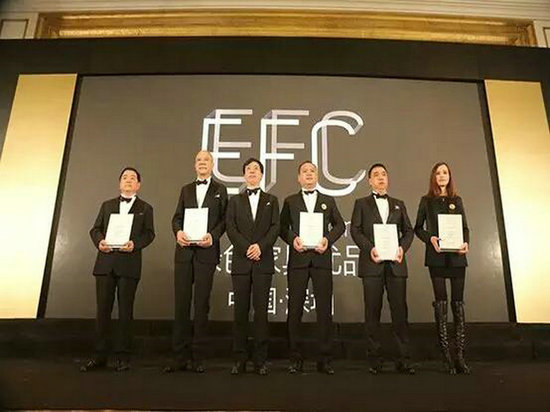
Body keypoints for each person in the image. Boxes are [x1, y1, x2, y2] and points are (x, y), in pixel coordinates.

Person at [81, 167, 155, 372]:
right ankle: (99, 356)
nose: (128, 180)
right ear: (119, 183)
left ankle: (123, 357)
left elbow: (149, 234)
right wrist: (100, 241)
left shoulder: (146, 208)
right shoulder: (107, 205)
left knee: (125, 312)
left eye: (133, 178)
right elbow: (95, 229)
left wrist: (135, 244)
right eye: (125, 177)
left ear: (138, 184)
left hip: (129, 264)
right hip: (105, 263)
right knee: (102, 311)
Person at [165, 150, 228, 373]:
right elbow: (177, 218)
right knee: (181, 304)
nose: (202, 163)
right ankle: (179, 357)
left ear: (212, 164)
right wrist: (178, 232)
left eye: (206, 160)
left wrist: (213, 236)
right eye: (199, 160)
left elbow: (224, 220)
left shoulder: (220, 190)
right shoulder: (186, 189)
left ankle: (198, 357)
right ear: (195, 165)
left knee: (201, 304)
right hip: (184, 253)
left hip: (206, 253)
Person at [280, 160, 345, 375]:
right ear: (298, 178)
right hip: (298, 260)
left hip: (321, 260)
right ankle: (295, 358)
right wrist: (293, 239)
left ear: (317, 176)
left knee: (324, 310)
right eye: (304, 171)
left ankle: (324, 359)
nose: (309, 174)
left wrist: (327, 239)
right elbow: (282, 227)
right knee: (295, 309)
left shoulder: (328, 200)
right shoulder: (290, 201)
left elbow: (340, 225)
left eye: (312, 171)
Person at [350, 163, 415, 374]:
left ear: (388, 179)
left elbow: (408, 231)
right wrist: (370, 248)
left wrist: (402, 248)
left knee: (400, 312)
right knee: (372, 312)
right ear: (369, 181)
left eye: (384, 174)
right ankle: (374, 360)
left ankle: (403, 359)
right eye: (376, 175)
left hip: (396, 264)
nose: (380, 177)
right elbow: (355, 230)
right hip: (372, 264)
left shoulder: (399, 204)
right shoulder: (361, 203)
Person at [414, 162, 470, 374]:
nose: (442, 176)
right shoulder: (426, 201)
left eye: (445, 172)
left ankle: (460, 356)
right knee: (441, 303)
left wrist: (466, 243)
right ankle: (446, 356)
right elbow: (418, 228)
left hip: (457, 258)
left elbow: (465, 228)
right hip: (436, 257)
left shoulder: (457, 200)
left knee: (458, 304)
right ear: (433, 177)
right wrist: (430, 238)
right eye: (438, 173)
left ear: (450, 176)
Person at [226, 158, 280, 375]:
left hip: (263, 261)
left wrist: (260, 247)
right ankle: (239, 359)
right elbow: (230, 227)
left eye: (256, 169)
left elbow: (275, 227)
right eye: (248, 169)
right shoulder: (234, 201)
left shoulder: (272, 200)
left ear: (261, 175)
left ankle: (260, 360)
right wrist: (246, 247)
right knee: (240, 311)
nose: (252, 172)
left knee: (261, 312)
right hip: (241, 261)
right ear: (244, 175)